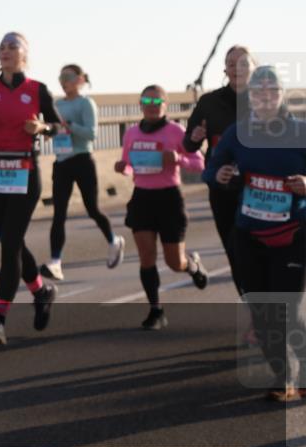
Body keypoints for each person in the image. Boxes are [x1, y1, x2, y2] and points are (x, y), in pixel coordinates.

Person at [203, 66, 306, 402]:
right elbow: (210, 168)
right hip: (248, 235)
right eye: (258, 92)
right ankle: (283, 377)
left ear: (281, 96)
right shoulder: (237, 133)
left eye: (272, 91)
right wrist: (220, 174)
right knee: (262, 312)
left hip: (291, 236)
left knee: (285, 311)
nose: (265, 97)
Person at [0, 32, 61, 346]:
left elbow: (59, 127)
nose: (6, 51)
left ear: (25, 55)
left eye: (12, 47)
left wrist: (43, 127)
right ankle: (41, 291)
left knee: (9, 247)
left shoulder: (37, 90)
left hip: (24, 173)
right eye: (2, 47)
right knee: (12, 240)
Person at [116, 85, 209, 330]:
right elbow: (128, 164)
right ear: (140, 103)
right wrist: (122, 168)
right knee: (146, 257)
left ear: (165, 104)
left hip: (169, 199)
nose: (152, 104)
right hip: (142, 199)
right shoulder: (132, 133)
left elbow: (199, 164)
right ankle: (156, 310)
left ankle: (193, 265)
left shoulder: (176, 131)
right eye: (147, 99)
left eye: (157, 100)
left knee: (174, 262)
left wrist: (178, 159)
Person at [41, 64, 124, 281]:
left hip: (82, 160)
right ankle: (55, 261)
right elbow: (52, 128)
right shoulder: (57, 105)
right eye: (61, 76)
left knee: (92, 209)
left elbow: (92, 134)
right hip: (61, 161)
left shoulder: (86, 103)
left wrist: (70, 126)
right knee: (59, 214)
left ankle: (114, 241)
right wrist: (50, 132)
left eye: (68, 76)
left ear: (80, 79)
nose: (64, 81)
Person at [184, 45, 254, 295]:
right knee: (235, 250)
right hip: (223, 188)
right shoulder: (209, 102)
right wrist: (194, 136)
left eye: (243, 63)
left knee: (260, 252)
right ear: (225, 69)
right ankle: (252, 306)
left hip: (260, 189)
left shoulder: (266, 101)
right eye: (231, 64)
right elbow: (189, 144)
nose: (237, 68)